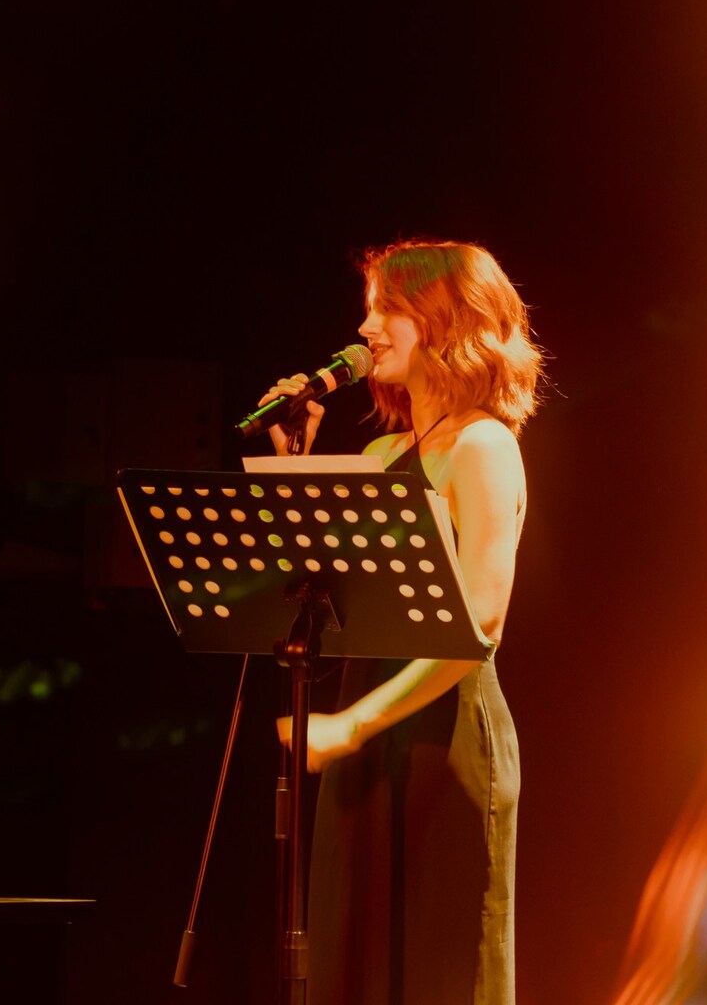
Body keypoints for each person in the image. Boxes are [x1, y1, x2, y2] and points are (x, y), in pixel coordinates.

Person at [260, 238, 545, 1005]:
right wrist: (296, 466)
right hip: (365, 731)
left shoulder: (484, 445)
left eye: (387, 309)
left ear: (445, 320)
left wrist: (354, 725)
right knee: (354, 968)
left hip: (440, 736)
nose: (366, 329)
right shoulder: (384, 451)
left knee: (437, 971)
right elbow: (318, 604)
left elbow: (481, 623)